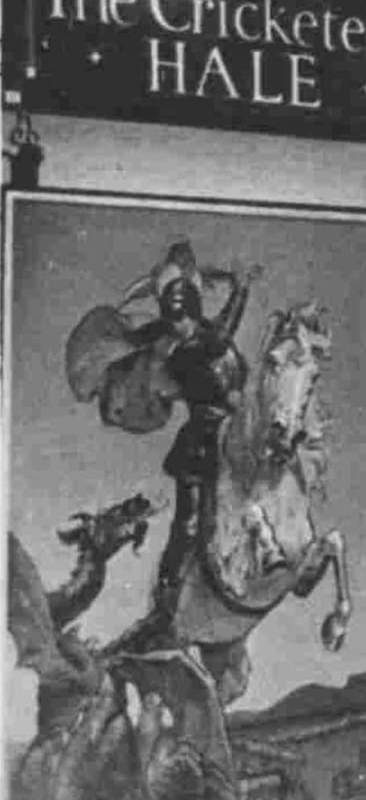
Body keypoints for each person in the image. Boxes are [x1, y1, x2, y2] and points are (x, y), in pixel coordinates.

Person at [65, 241, 258, 645]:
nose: (179, 312)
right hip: (203, 439)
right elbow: (219, 339)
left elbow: (220, 340)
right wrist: (241, 289)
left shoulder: (201, 333)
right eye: (172, 303)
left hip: (235, 432)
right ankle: (168, 597)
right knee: (187, 524)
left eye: (183, 300)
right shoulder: (176, 347)